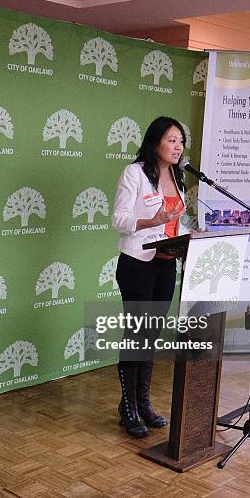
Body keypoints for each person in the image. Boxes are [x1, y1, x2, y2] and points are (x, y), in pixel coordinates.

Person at [111, 116, 187, 438]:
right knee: (136, 333)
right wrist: (149, 220)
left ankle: (143, 402)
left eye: (180, 141)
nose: (177, 146)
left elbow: (173, 224)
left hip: (166, 264)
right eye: (171, 140)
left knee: (152, 335)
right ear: (155, 142)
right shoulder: (135, 173)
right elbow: (119, 219)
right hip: (138, 263)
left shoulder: (178, 176)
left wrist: (192, 234)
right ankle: (128, 406)